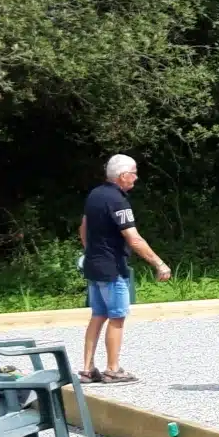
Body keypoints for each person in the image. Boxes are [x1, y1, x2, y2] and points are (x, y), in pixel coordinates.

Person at [78, 154, 171, 382]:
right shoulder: (118, 200)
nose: (136, 178)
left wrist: (93, 251)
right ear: (123, 176)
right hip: (112, 268)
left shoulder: (95, 194)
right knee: (117, 317)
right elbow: (133, 238)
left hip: (93, 265)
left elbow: (83, 227)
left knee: (97, 316)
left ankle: (88, 369)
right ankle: (113, 369)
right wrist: (159, 263)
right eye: (134, 173)